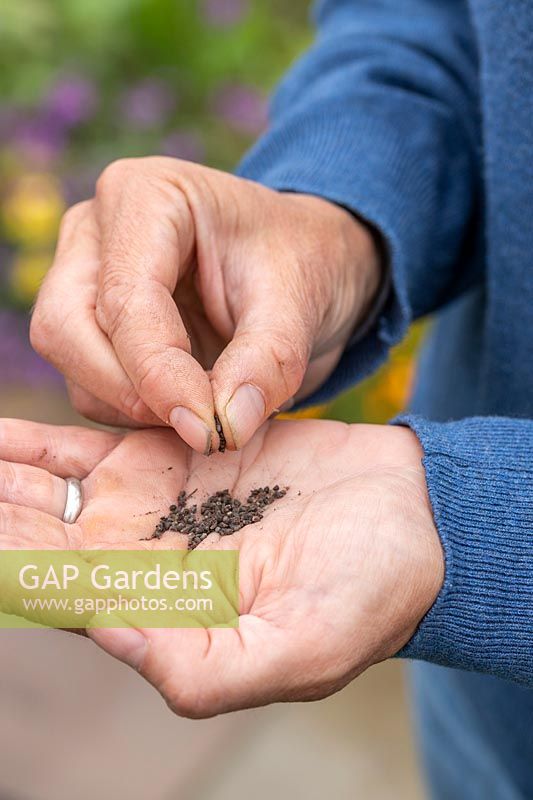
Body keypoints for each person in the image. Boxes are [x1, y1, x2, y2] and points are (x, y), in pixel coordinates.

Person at [7, 0, 533, 796]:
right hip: (481, 714)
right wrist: (333, 216)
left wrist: (474, 520)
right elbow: (434, 27)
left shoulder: (439, 530)